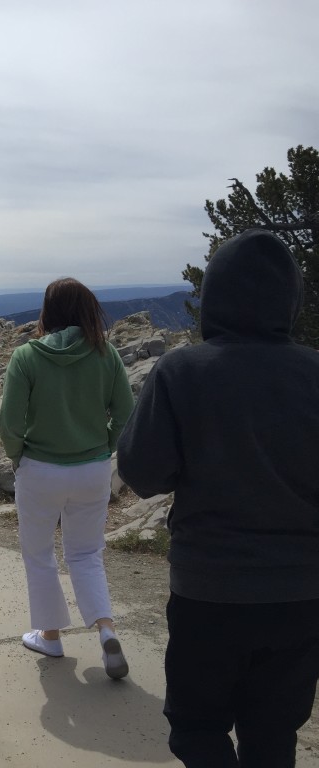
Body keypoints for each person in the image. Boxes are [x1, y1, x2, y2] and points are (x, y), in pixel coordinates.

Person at [117, 229, 319, 767]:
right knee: (274, 734)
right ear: (290, 300)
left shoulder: (183, 371)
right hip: (302, 595)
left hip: (209, 591)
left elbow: (142, 473)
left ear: (213, 298)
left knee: (195, 729)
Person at [0, 277, 134, 679]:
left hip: (40, 469)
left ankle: (51, 636)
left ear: (48, 311)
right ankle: (105, 629)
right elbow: (126, 414)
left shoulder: (26, 356)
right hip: (92, 470)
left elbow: (10, 421)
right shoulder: (106, 355)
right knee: (86, 553)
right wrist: (103, 447)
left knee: (39, 554)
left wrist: (18, 457)